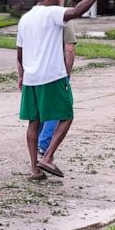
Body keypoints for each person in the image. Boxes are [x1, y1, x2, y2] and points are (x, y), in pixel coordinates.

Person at [17, 0, 115, 180]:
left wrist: (22, 76)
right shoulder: (53, 13)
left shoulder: (25, 19)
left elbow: (20, 53)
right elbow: (78, 11)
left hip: (31, 78)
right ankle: (48, 157)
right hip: (52, 76)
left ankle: (34, 168)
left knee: (33, 123)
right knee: (66, 115)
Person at [37, 21, 77, 158]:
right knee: (59, 110)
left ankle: (37, 144)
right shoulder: (64, 20)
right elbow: (69, 49)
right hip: (55, 72)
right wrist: (67, 73)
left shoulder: (33, 18)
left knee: (40, 110)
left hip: (35, 71)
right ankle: (44, 145)